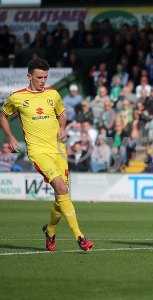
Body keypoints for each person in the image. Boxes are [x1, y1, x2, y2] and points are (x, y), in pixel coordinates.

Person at [0, 58, 94, 251]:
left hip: (59, 149)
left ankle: (50, 230)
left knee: (62, 195)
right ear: (29, 76)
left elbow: (61, 113)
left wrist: (62, 127)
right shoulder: (17, 97)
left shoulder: (53, 93)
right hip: (38, 151)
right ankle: (80, 237)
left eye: (45, 77)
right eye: (39, 77)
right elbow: (3, 115)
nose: (43, 81)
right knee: (61, 187)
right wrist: (10, 137)